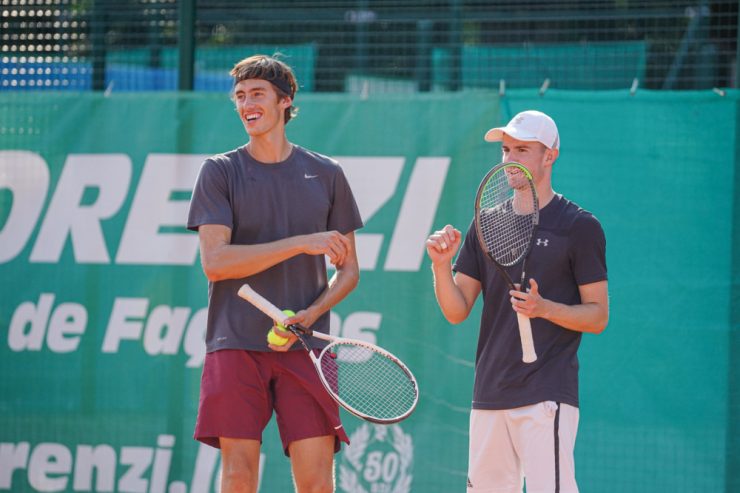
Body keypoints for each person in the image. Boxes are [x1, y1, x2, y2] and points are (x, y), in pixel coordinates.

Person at [187, 54, 363, 493]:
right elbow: (216, 261)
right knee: (240, 477)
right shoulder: (219, 171)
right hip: (235, 343)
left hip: (307, 347)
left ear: (284, 101)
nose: (247, 103)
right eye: (240, 96)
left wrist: (313, 312)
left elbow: (349, 271)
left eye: (257, 94)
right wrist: (302, 242)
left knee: (317, 481)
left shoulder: (327, 174)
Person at [426, 110, 609, 493]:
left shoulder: (580, 226)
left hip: (547, 394)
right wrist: (441, 267)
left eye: (522, 150)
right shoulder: (486, 223)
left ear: (550, 155)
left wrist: (545, 309)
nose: (510, 160)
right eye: (506, 150)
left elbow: (597, 315)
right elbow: (457, 309)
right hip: (489, 394)